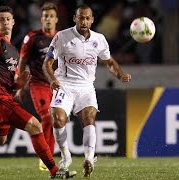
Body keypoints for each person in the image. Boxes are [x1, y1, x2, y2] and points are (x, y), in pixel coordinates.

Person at [0, 6, 75, 179]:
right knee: (35, 126)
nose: (5, 22)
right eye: (1, 19)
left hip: (4, 97)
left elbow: (8, 82)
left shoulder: (11, 48)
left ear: (13, 22)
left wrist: (18, 84)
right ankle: (54, 171)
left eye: (8, 19)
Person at [43, 4, 132, 178]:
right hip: (65, 85)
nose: (83, 21)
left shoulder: (99, 39)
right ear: (75, 18)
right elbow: (46, 64)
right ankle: (65, 156)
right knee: (58, 119)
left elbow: (109, 62)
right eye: (80, 17)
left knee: (89, 117)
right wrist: (52, 80)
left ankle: (89, 159)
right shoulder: (62, 36)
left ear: (92, 20)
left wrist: (120, 75)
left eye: (87, 18)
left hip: (86, 87)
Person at [16, 2, 59, 172]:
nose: (48, 19)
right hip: (38, 84)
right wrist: (19, 86)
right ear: (41, 19)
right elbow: (22, 62)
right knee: (48, 117)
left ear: (56, 19)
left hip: (57, 85)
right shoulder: (33, 38)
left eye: (51, 16)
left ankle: (50, 155)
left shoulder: (62, 38)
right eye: (45, 16)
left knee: (56, 120)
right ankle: (47, 158)